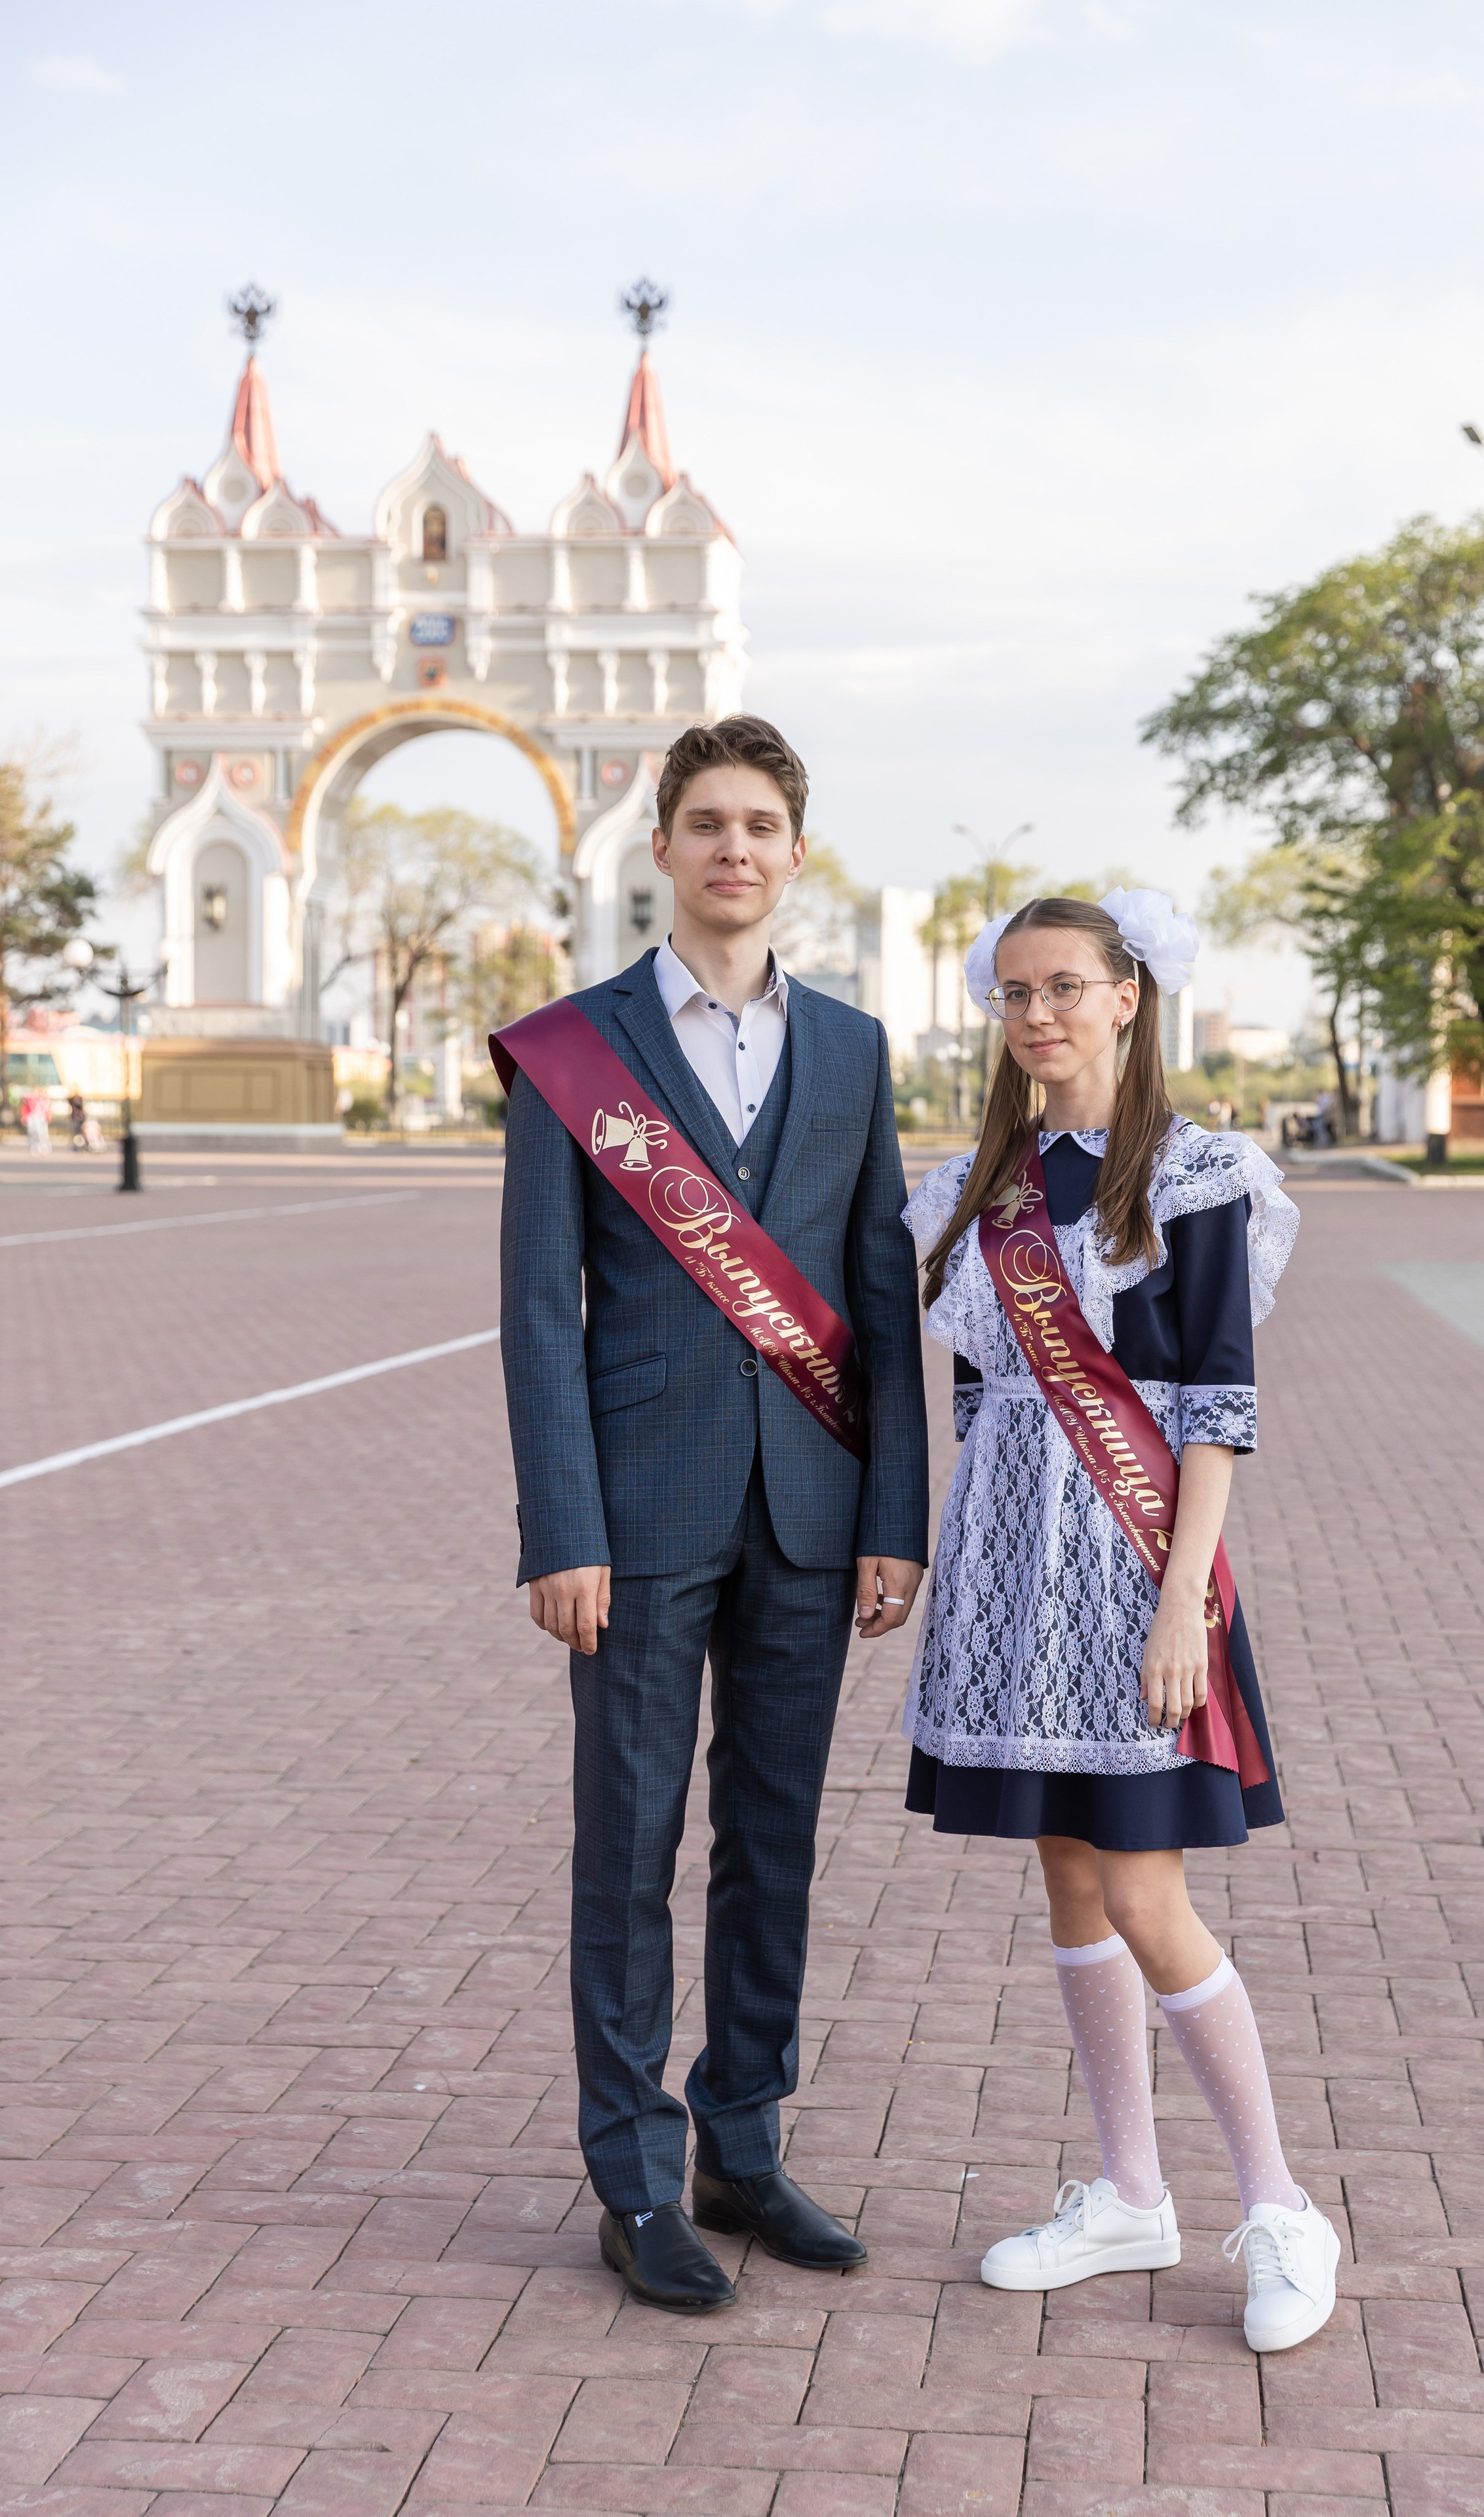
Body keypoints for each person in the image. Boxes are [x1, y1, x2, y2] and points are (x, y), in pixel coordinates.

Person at [496, 715, 929, 2318]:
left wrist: (897, 1513)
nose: (732, 849)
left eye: (758, 824)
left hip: (813, 1515)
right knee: (626, 1849)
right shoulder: (573, 1050)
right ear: (662, 848)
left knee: (773, 1844)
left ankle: (741, 2145)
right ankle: (635, 2177)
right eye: (703, 824)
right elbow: (541, 1308)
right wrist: (560, 1529)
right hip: (637, 1517)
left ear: (793, 853)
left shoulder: (856, 1050)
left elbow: (880, 1290)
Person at [901, 890, 1337, 2356]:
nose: (1036, 1015)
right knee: (1070, 1883)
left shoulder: (1198, 1173)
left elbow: (1216, 1407)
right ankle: (1128, 2195)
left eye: (1065, 987)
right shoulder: (982, 1184)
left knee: (1148, 1895)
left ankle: (1279, 2207)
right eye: (1013, 992)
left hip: (1138, 1563)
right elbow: (974, 1389)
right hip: (1010, 1572)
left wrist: (1177, 1608)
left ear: (1127, 997)